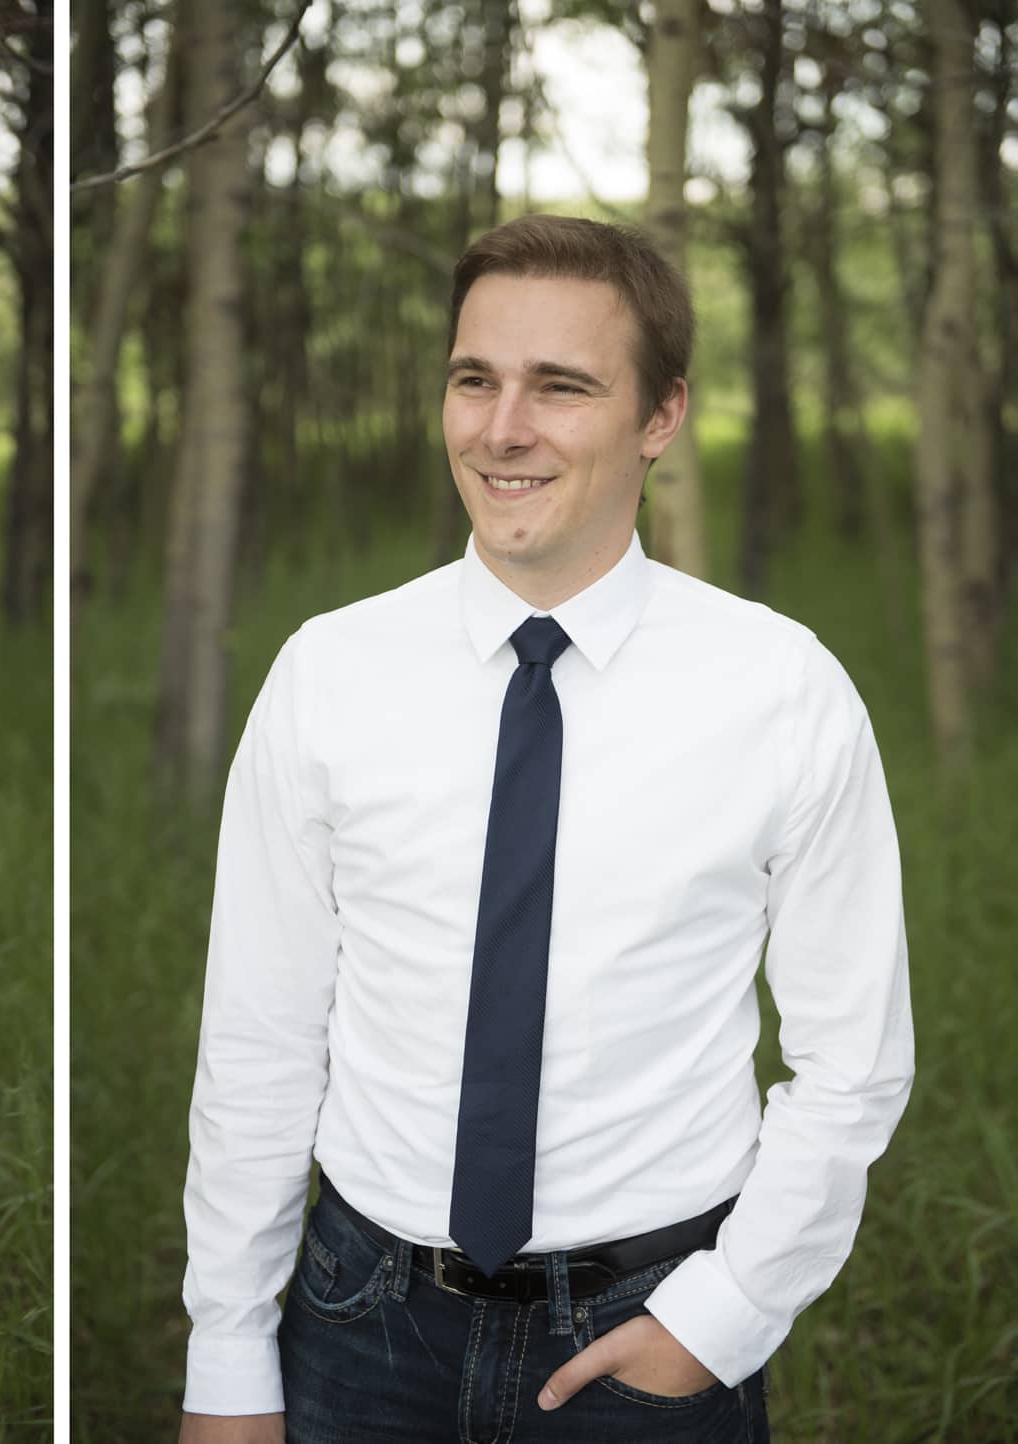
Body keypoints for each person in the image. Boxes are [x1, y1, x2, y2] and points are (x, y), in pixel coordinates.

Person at [178, 216, 913, 1443]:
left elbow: (850, 1061)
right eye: (474, 379)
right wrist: (227, 1354)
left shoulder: (780, 690)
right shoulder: (330, 672)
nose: (501, 427)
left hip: (650, 1323)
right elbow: (258, 1037)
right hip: (359, 1318)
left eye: (560, 387)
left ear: (660, 415)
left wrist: (719, 1317)